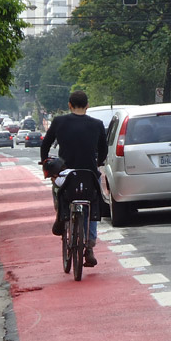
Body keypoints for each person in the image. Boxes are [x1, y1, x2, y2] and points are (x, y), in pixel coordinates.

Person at [40, 90, 107, 268]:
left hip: (66, 174)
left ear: (69, 105)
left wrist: (45, 162)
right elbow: (104, 150)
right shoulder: (97, 124)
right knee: (92, 205)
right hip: (90, 174)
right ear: (88, 105)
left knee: (58, 189)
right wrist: (97, 164)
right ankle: (90, 246)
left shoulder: (59, 122)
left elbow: (45, 144)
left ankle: (61, 216)